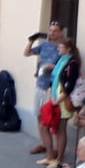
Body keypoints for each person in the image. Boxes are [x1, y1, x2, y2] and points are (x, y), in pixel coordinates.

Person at [44, 37, 84, 168]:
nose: (58, 49)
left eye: (61, 47)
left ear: (68, 49)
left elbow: (70, 86)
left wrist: (57, 100)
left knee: (61, 129)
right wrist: (51, 95)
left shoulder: (72, 64)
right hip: (55, 96)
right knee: (50, 126)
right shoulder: (61, 60)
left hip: (62, 99)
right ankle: (51, 156)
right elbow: (53, 77)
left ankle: (59, 159)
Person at [27, 23, 64, 157]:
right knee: (39, 115)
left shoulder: (62, 48)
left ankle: (52, 148)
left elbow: (64, 67)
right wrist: (31, 41)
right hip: (40, 84)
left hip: (52, 87)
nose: (52, 33)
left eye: (55, 31)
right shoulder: (44, 45)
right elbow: (27, 53)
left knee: (50, 118)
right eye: (50, 30)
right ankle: (44, 143)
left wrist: (52, 67)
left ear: (61, 32)